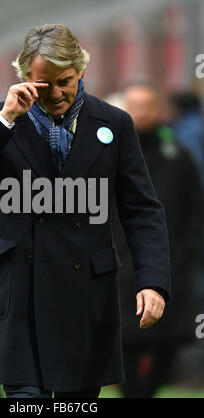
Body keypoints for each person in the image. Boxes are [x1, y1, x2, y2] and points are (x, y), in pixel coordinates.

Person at [0, 24, 171, 399]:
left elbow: (142, 209)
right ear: (24, 78)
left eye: (64, 80)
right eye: (43, 83)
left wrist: (153, 281)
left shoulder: (114, 124)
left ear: (82, 70)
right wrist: (5, 120)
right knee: (26, 402)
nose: (55, 93)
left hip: (84, 296)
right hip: (18, 293)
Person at [113, 82, 203, 397]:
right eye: (135, 105)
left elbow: (195, 209)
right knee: (123, 341)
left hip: (169, 268)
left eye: (148, 105)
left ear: (159, 109)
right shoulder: (108, 156)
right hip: (119, 270)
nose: (142, 111)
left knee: (168, 342)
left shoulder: (178, 156)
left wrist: (186, 254)